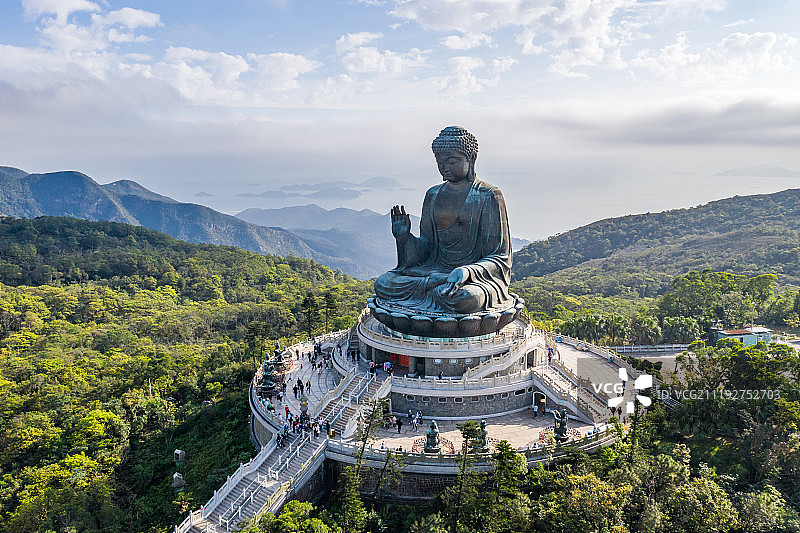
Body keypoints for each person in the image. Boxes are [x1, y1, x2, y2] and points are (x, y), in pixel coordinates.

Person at [372, 126, 515, 332]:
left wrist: (467, 270)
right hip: (435, 272)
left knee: (466, 299)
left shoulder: (489, 195)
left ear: (471, 159)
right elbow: (427, 249)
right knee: (384, 284)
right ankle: (437, 286)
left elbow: (500, 257)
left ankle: (438, 290)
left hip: (473, 279)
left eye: (452, 161)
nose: (444, 167)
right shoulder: (433, 195)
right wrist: (404, 238)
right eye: (440, 162)